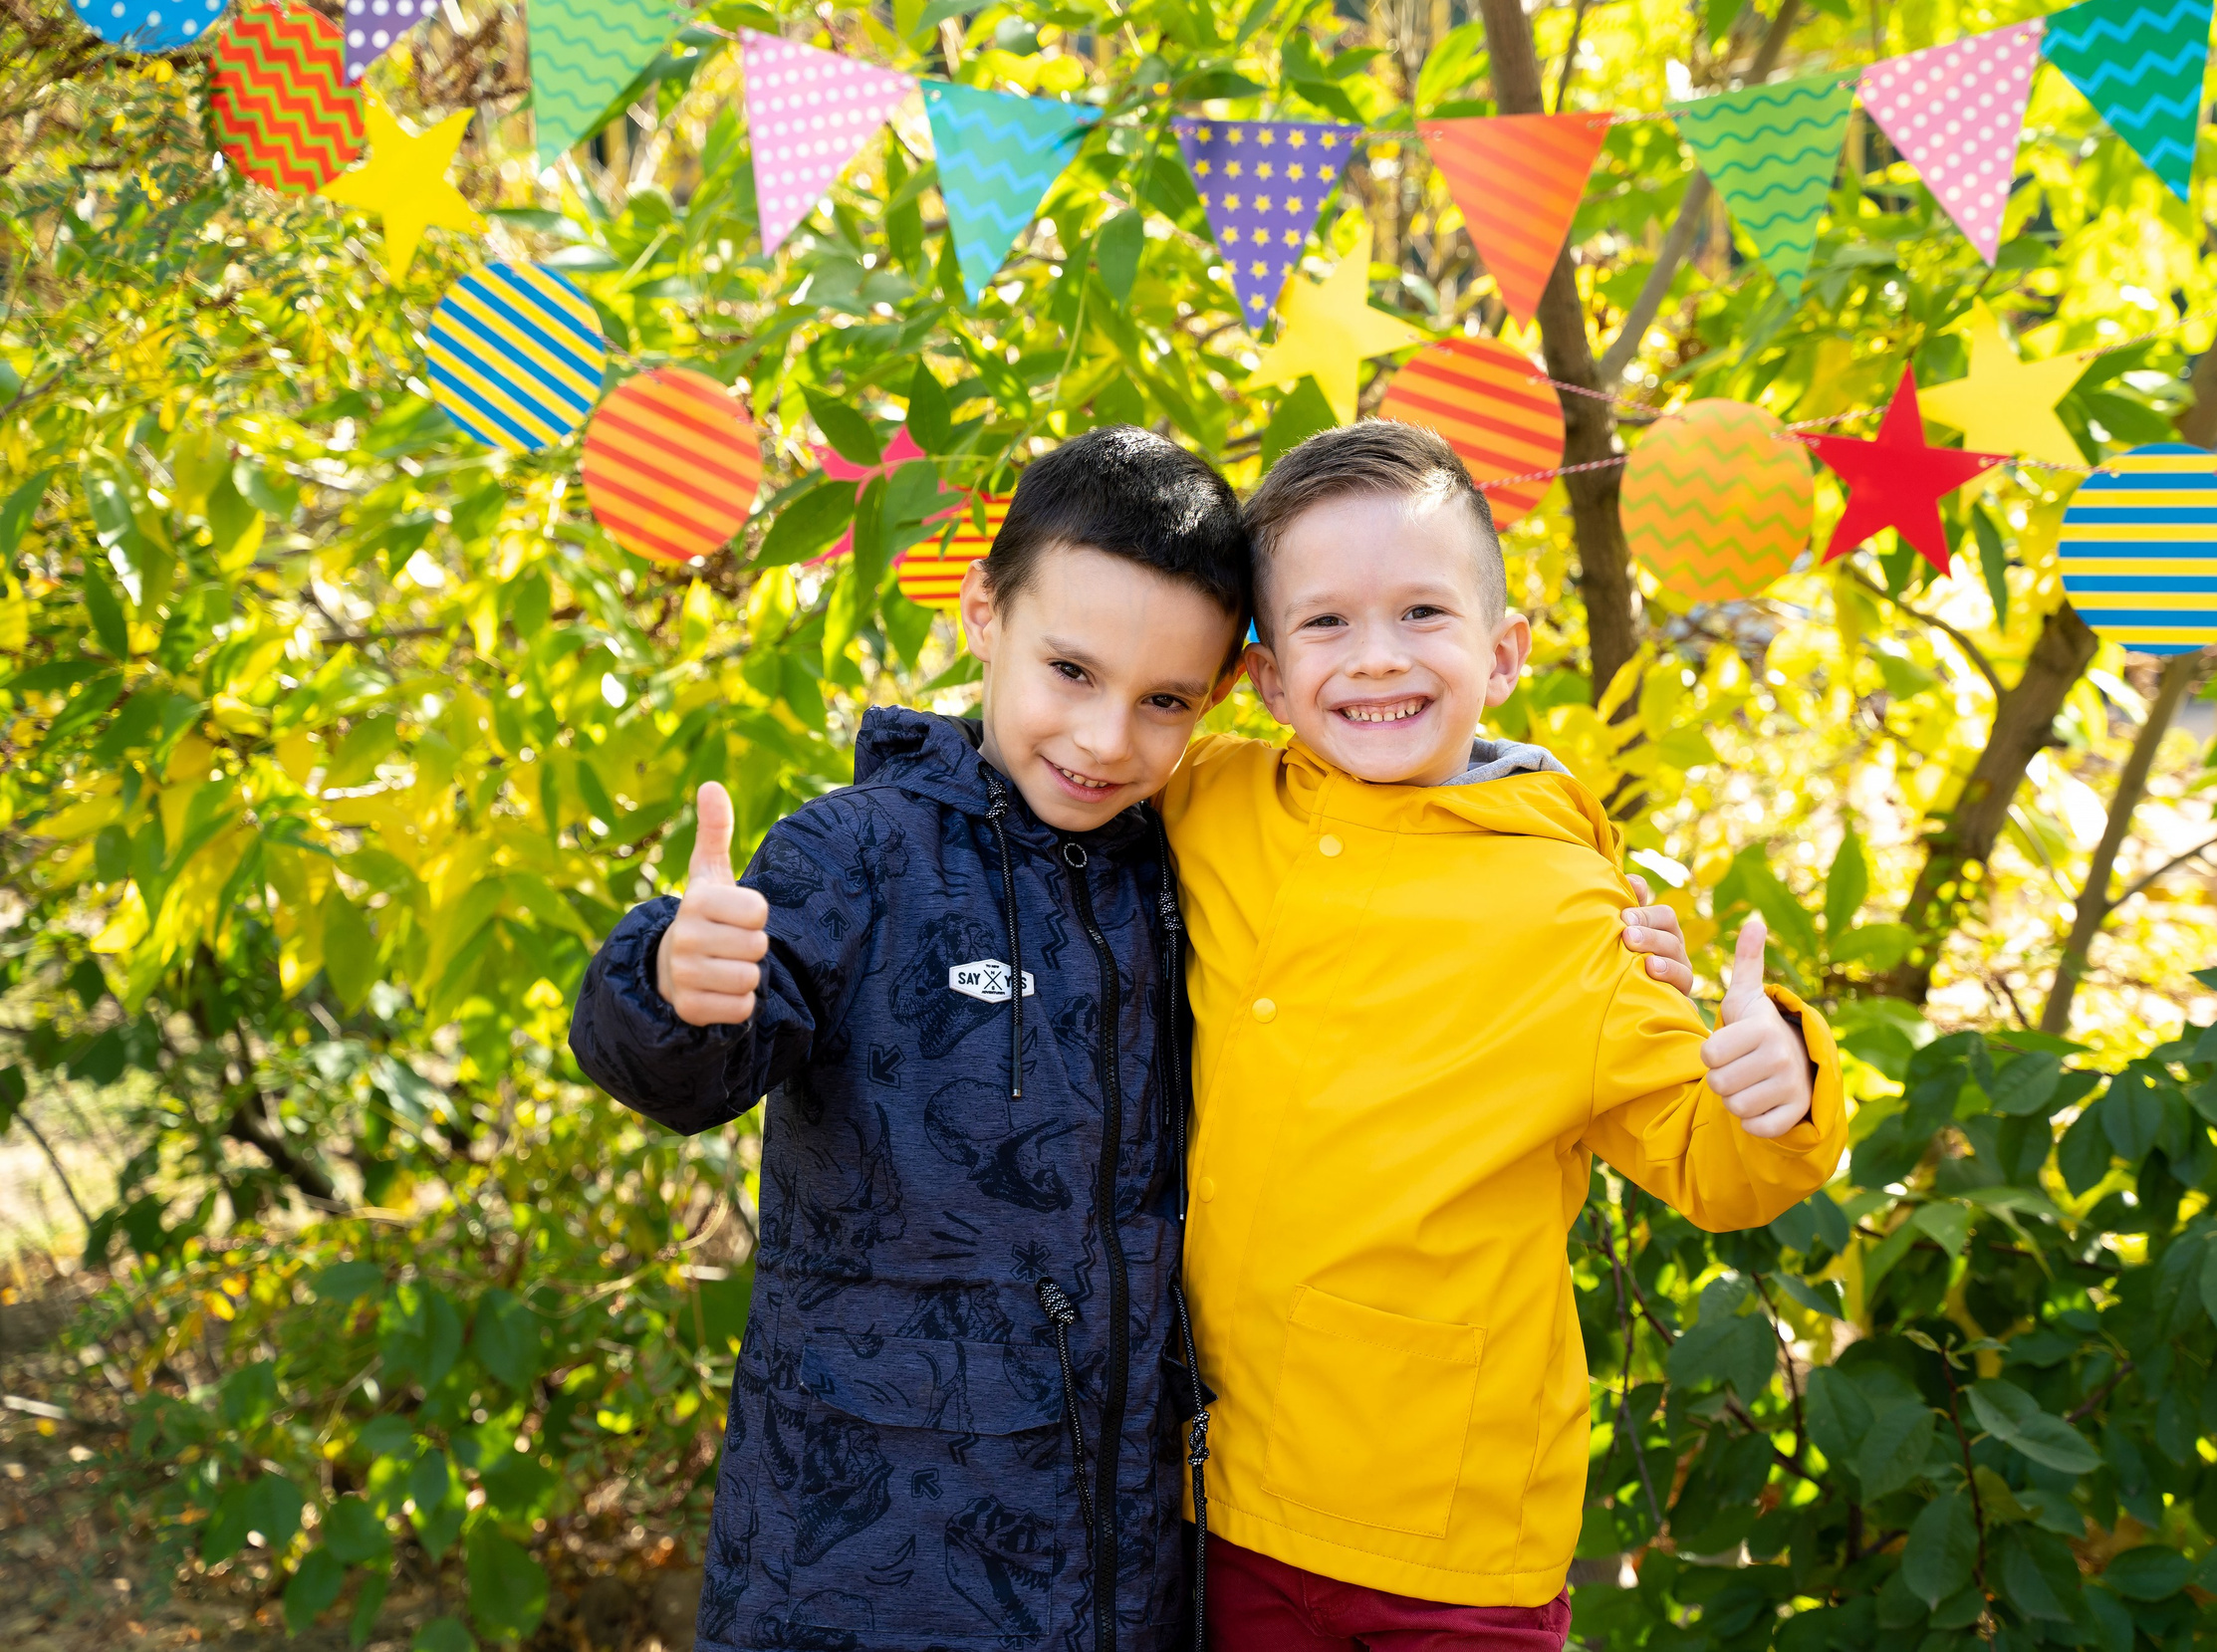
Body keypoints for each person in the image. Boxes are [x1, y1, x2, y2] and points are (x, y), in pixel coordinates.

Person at [567, 424, 1701, 1652]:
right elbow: (698, 1069)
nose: (1107, 740)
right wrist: (672, 982)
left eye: (1164, 701)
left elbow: (1391, 871)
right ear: (981, 612)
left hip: (1115, 1556)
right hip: (853, 1545)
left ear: (1223, 694)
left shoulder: (1177, 855)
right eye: (1071, 672)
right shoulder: (860, 853)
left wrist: (1598, 914)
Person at [1155, 419, 1849, 1648]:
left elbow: (1713, 1166)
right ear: (1261, 678)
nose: (1376, 659)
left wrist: (1777, 1081)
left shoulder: (1567, 905)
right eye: (1324, 623)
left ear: (1505, 652)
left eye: (1423, 613)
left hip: (1451, 1524)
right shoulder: (1209, 802)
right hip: (1220, 1492)